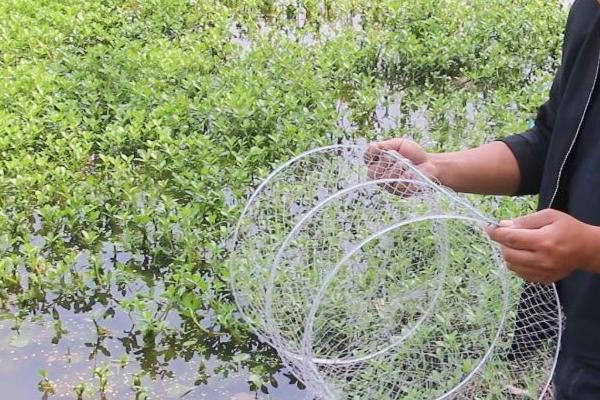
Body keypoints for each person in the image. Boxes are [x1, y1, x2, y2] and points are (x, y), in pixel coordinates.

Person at [365, 0, 600, 398]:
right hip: (582, 334)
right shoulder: (590, 14)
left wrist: (590, 249)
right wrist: (437, 169)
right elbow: (553, 140)